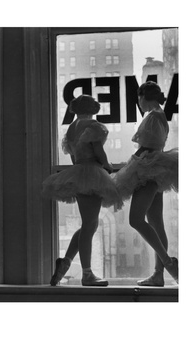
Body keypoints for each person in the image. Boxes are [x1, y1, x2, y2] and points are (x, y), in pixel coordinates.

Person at [42, 94, 123, 286]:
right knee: (90, 224)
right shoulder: (92, 126)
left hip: (78, 171)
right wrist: (108, 165)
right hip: (92, 172)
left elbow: (72, 155)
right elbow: (98, 151)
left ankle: (66, 262)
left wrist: (81, 168)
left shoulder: (71, 128)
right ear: (91, 108)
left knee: (90, 224)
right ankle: (87, 273)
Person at [114, 81, 178, 286]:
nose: (138, 103)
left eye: (138, 99)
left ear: (143, 97)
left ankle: (168, 264)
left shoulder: (153, 117)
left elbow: (147, 147)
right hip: (153, 168)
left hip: (148, 169)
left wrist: (131, 166)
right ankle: (158, 274)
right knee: (156, 222)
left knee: (136, 219)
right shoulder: (158, 115)